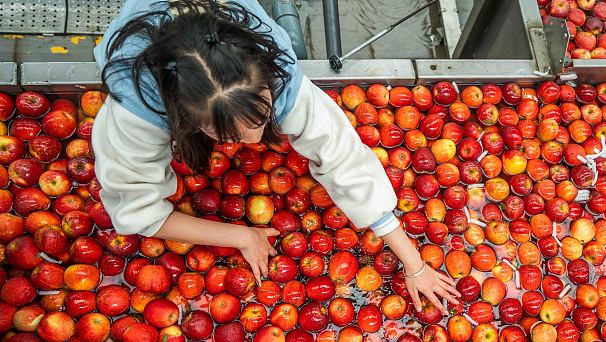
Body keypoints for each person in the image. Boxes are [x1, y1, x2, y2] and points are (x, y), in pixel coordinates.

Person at [93, 0, 459, 313]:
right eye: (232, 136)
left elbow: (343, 157)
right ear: (184, 120)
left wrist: (413, 263)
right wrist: (241, 236)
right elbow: (135, 209)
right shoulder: (136, 108)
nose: (253, 141)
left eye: (264, 115)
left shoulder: (273, 63)